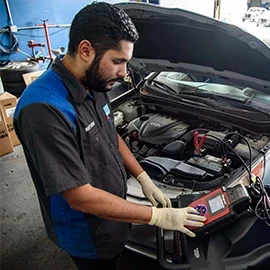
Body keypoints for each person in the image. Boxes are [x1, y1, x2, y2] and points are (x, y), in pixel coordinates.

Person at [14, 2, 206, 269]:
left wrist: (142, 177)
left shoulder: (94, 80)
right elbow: (79, 197)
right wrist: (155, 217)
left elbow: (109, 133)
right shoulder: (44, 109)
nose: (124, 73)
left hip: (115, 216)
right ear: (85, 50)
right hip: (88, 235)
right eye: (118, 61)